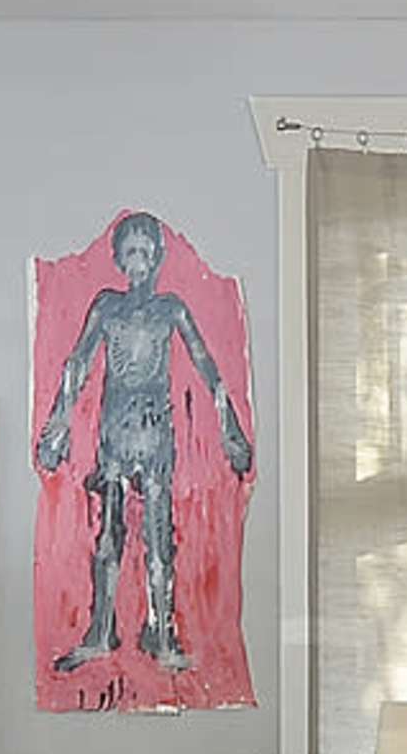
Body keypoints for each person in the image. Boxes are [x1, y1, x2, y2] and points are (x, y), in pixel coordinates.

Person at [38, 212, 251, 674]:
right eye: (130, 252)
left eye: (146, 252)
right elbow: (76, 367)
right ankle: (100, 631)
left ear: (157, 257)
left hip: (156, 436)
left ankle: (162, 633)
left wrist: (230, 431)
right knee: (109, 536)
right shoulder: (106, 307)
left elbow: (208, 368)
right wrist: (57, 428)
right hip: (114, 436)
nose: (139, 261)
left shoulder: (170, 309)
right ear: (119, 258)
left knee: (158, 540)